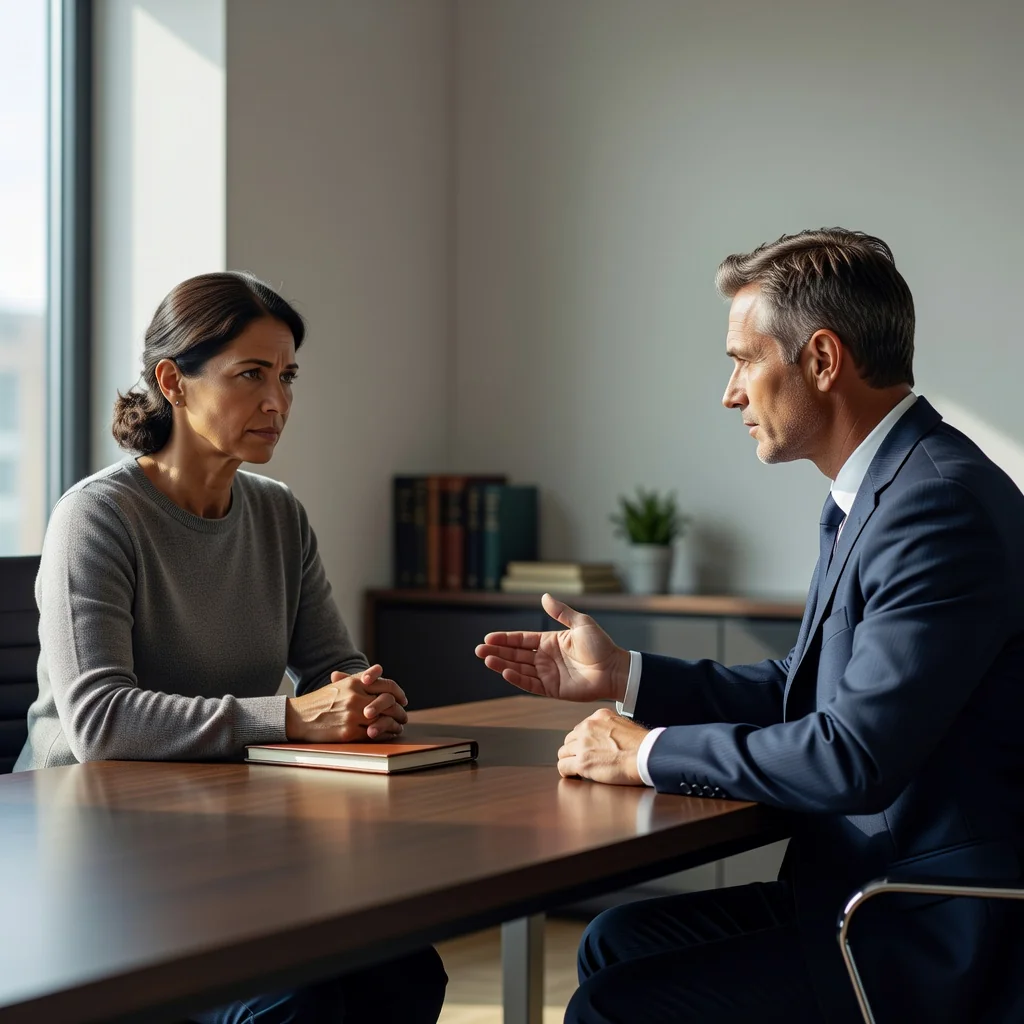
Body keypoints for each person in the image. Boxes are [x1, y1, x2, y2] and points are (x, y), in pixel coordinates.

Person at [476, 229, 1024, 1024]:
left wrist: (649, 755)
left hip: (928, 925)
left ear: (823, 360)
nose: (729, 392)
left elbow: (852, 756)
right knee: (616, 942)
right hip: (864, 889)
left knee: (616, 1003)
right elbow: (806, 691)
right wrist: (626, 677)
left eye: (742, 359)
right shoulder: (886, 491)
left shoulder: (936, 506)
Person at [15, 272, 447, 1024]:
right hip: (94, 854)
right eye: (251, 375)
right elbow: (99, 723)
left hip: (226, 837)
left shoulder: (278, 512)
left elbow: (331, 662)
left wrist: (364, 694)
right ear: (172, 382)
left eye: (286, 377)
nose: (277, 402)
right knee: (298, 1001)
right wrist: (291, 719)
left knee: (404, 972)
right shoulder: (96, 517)